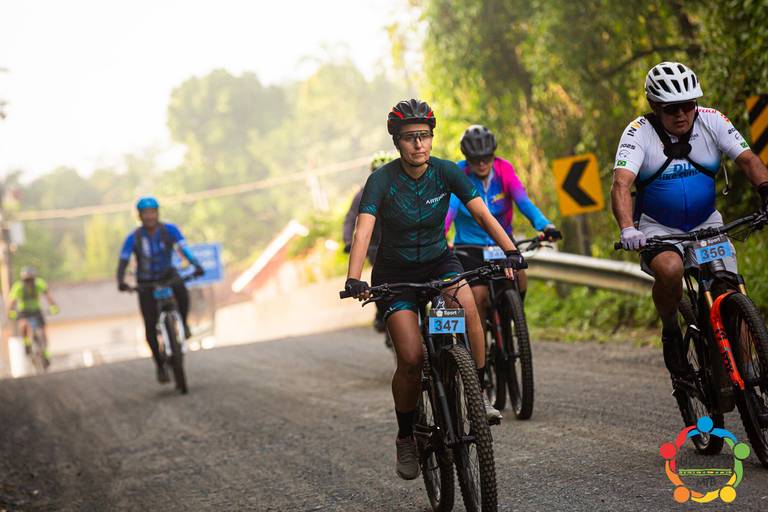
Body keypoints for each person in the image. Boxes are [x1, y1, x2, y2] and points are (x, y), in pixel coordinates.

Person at [344, 99, 526, 480]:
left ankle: (476, 394)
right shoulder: (381, 181)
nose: (418, 144)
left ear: (431, 138)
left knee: (465, 305)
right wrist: (354, 277)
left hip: (439, 263)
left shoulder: (445, 172)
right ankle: (406, 435)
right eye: (410, 137)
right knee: (411, 358)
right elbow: (363, 231)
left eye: (424, 136)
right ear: (397, 142)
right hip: (394, 276)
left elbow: (481, 213)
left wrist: (511, 250)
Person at [610, 61, 768, 387]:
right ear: (655, 106)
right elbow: (621, 184)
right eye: (671, 109)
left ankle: (747, 367)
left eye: (688, 105)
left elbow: (749, 161)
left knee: (728, 286)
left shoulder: (712, 120)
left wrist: (765, 192)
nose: (682, 114)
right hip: (658, 227)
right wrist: (627, 228)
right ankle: (671, 330)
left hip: (707, 222)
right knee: (670, 270)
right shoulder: (638, 133)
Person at [446, 125, 561, 335]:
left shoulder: (504, 169)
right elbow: (449, 211)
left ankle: (512, 316)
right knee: (478, 297)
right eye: (476, 159)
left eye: (487, 158)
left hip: (502, 244)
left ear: (493, 154)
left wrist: (545, 225)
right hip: (469, 248)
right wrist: (439, 237)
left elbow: (523, 202)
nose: (482, 163)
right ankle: (480, 345)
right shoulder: (458, 173)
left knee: (519, 277)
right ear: (467, 158)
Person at [117, 196, 205, 384]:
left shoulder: (170, 230)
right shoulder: (134, 238)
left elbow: (184, 249)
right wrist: (121, 281)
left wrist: (196, 265)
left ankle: (184, 323)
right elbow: (123, 261)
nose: (149, 216)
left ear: (157, 213)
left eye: (152, 212)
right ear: (140, 216)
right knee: (149, 326)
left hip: (168, 275)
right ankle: (159, 365)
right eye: (145, 213)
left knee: (181, 290)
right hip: (146, 282)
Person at [343, 151, 398, 333]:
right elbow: (350, 219)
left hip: (405, 244)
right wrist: (348, 241)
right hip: (375, 247)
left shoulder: (404, 188)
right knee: (384, 283)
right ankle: (382, 312)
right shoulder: (362, 195)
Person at [7, 266, 59, 368]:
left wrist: (53, 306)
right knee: (23, 325)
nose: (29, 283)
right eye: (27, 280)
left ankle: (45, 353)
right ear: (23, 280)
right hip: (24, 311)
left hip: (36, 310)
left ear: (34, 279)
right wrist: (10, 312)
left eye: (31, 280)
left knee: (42, 332)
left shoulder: (39, 284)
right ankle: (27, 344)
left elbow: (48, 296)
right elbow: (12, 302)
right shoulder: (18, 287)